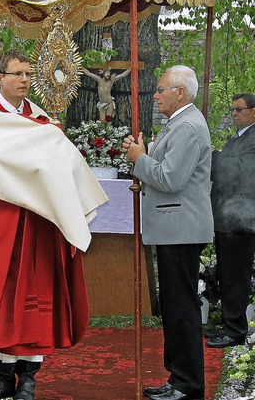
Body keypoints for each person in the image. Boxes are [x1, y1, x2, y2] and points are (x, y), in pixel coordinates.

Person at [0, 50, 108, 400]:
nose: (25, 80)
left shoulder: (38, 118)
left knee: (35, 295)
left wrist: (48, 139)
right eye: (18, 74)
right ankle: (0, 378)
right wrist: (44, 140)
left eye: (28, 74)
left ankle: (28, 378)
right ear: (0, 77)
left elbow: (55, 159)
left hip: (35, 219)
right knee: (0, 295)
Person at [122, 65, 213, 400]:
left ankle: (187, 385)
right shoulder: (179, 123)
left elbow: (171, 180)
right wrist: (144, 156)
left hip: (181, 228)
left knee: (181, 309)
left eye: (161, 89)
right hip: (175, 227)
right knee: (174, 308)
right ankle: (178, 379)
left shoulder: (188, 126)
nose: (156, 95)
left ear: (181, 92)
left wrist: (140, 158)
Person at [204, 93, 255, 348]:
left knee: (236, 276)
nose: (234, 113)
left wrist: (209, 155)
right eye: (232, 109)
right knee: (227, 274)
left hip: (241, 219)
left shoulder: (253, 138)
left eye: (240, 109)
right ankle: (228, 324)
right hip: (227, 215)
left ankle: (235, 330)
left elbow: (239, 168)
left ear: (254, 112)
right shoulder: (237, 137)